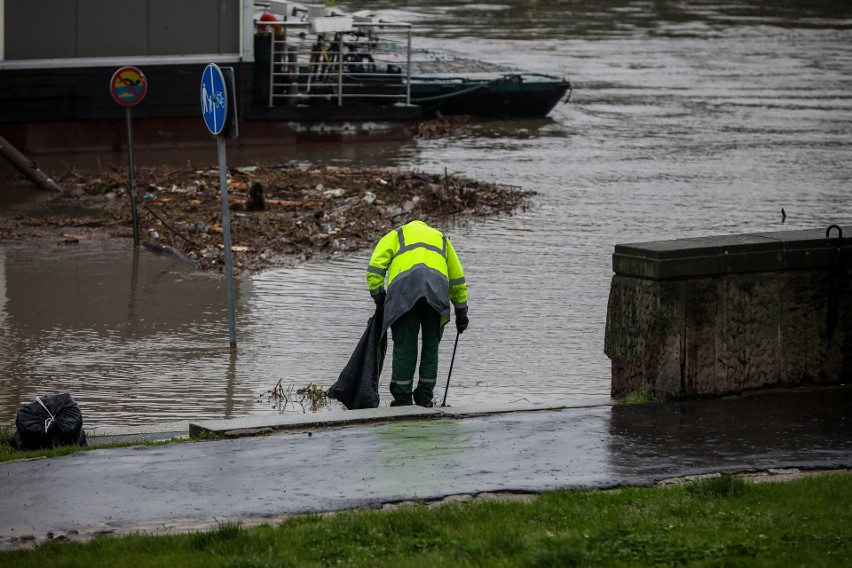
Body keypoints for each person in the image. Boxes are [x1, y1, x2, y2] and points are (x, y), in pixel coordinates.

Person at [367, 220, 469, 407]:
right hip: (436, 291)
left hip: (404, 291)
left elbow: (375, 267)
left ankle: (402, 400)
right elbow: (457, 278)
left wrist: (378, 295)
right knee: (431, 346)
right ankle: (424, 399)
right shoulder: (442, 239)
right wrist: (461, 311)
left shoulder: (397, 235)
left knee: (405, 345)